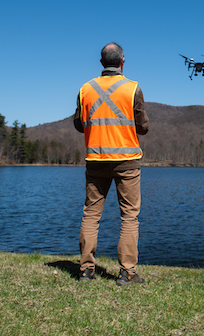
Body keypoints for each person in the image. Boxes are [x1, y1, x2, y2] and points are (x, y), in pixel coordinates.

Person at [73, 42, 149, 285]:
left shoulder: (86, 89)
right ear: (122, 61)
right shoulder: (132, 88)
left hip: (96, 159)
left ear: (101, 63)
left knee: (91, 214)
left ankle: (86, 270)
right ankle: (127, 272)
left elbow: (78, 123)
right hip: (127, 161)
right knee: (129, 217)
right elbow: (143, 127)